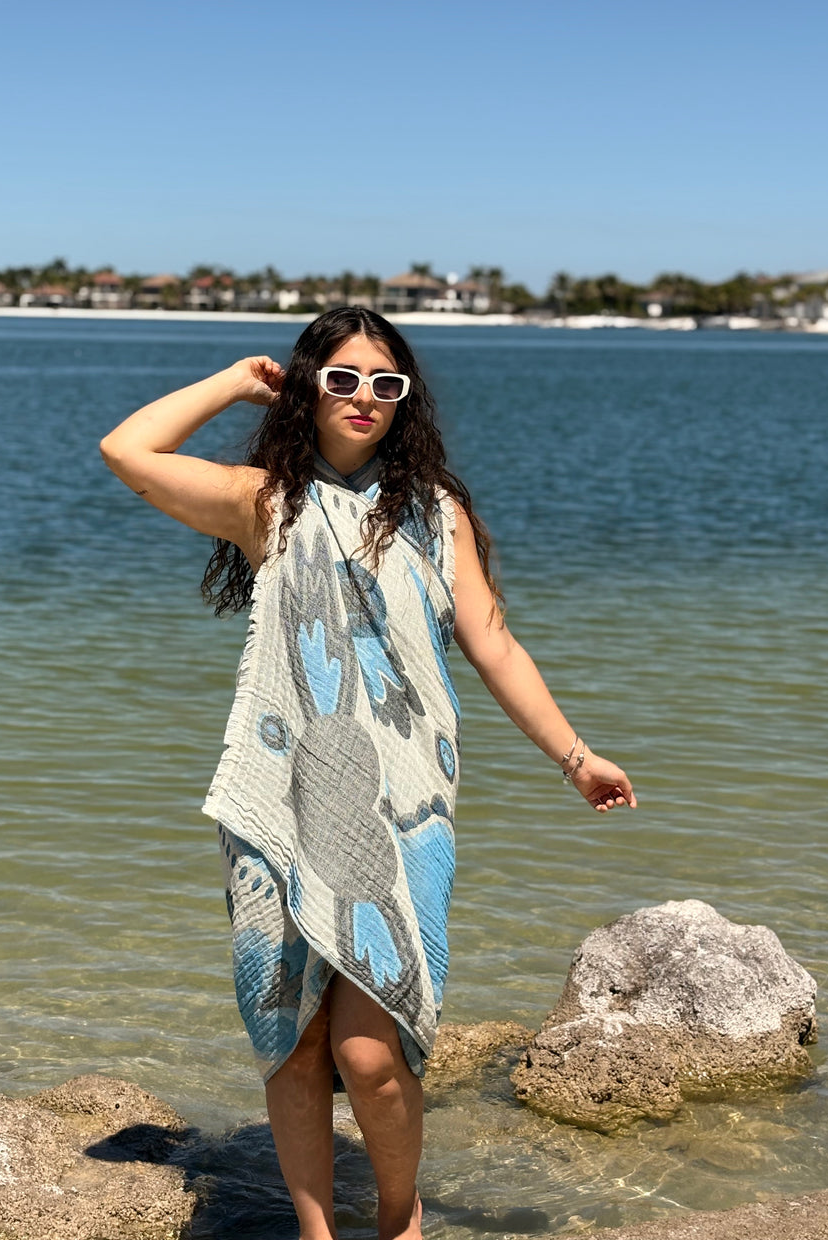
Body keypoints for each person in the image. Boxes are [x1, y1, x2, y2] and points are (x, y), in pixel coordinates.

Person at [100, 307, 636, 1240]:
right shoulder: (266, 503)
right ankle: (317, 1230)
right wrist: (235, 380)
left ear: (406, 402)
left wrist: (575, 756)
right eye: (340, 379)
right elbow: (126, 448)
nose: (362, 400)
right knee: (298, 1044)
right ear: (307, 387)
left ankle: (400, 1219)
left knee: (370, 1049)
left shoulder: (435, 515)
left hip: (406, 800)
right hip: (278, 800)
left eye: (385, 385)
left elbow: (494, 645)